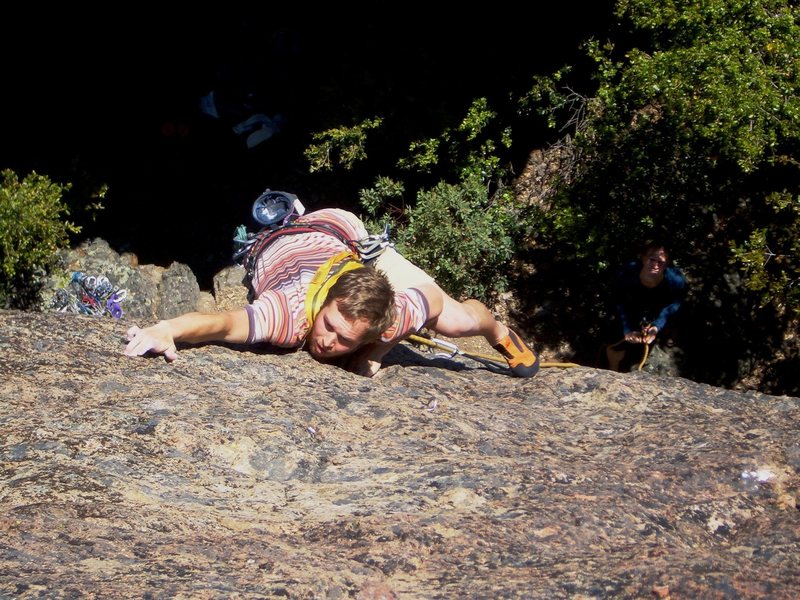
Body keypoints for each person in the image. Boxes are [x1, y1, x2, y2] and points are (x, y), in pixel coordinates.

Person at [123, 199, 540, 378]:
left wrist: (377, 348)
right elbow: (220, 323)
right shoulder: (287, 315)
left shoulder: (391, 321)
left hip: (346, 243)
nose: (325, 341)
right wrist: (167, 330)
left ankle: (499, 333)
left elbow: (429, 299)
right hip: (324, 229)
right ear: (325, 304)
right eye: (329, 325)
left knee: (456, 319)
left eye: (344, 340)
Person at [605, 240, 686, 372]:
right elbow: (617, 300)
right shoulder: (627, 273)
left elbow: (674, 304)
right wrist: (627, 329)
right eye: (652, 259)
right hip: (631, 305)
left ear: (666, 265)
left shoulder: (675, 280)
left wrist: (657, 326)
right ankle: (613, 369)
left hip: (657, 307)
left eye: (661, 262)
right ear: (643, 259)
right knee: (614, 340)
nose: (655, 265)